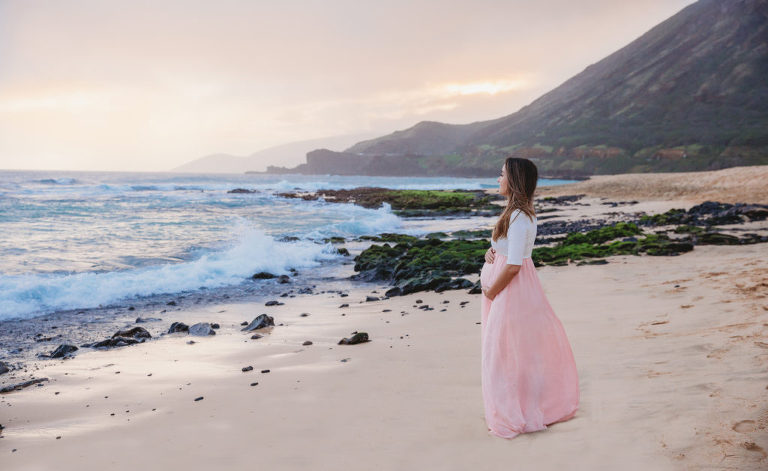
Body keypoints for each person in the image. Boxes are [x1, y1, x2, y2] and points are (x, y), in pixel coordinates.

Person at [479, 157, 579, 439]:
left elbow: (514, 265)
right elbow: (508, 254)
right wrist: (492, 254)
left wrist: (491, 291)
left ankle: (515, 412)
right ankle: (511, 406)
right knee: (506, 351)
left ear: (514, 180)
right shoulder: (515, 214)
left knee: (504, 353)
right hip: (506, 290)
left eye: (501, 175)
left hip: (510, 292)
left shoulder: (520, 217)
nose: (498, 179)